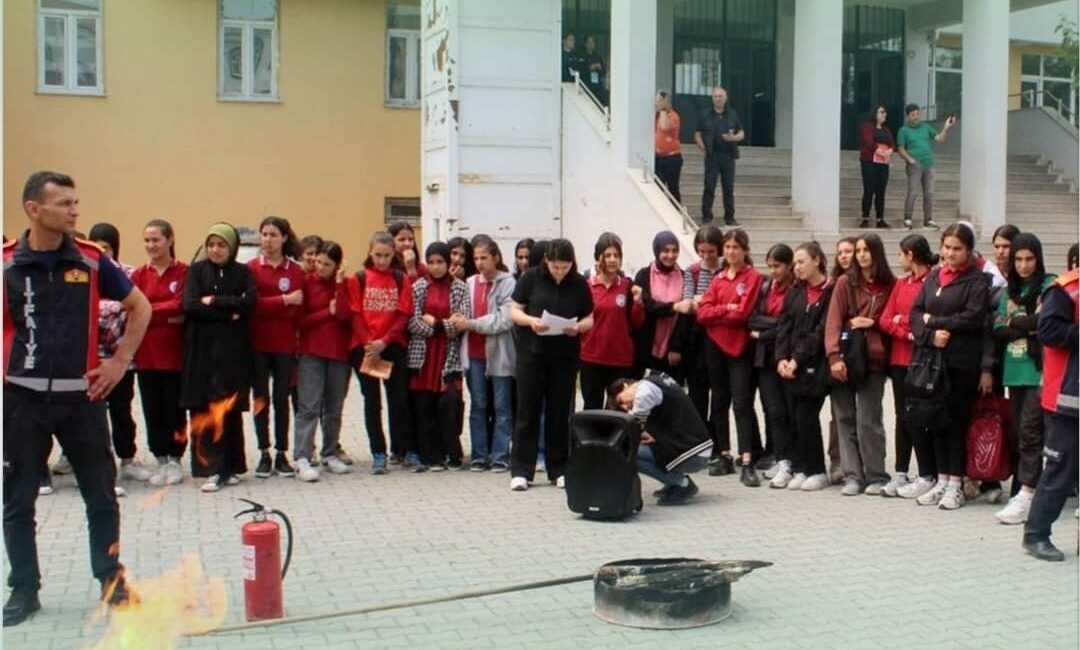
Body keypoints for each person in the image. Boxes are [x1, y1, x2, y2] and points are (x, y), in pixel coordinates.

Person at [3, 171, 150, 625]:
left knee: (101, 497)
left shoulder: (90, 260)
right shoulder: (7, 265)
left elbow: (139, 307)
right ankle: (24, 589)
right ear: (34, 209)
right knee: (18, 501)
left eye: (75, 202)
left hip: (82, 399)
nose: (74, 210)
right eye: (64, 203)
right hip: (22, 400)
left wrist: (119, 362)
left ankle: (111, 580)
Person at [910, 223, 990, 510]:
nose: (951, 253)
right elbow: (916, 313)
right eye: (947, 247)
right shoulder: (933, 277)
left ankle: (956, 483)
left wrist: (936, 321)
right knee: (936, 422)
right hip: (933, 360)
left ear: (968, 251)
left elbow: (971, 318)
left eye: (957, 249)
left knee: (956, 422)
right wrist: (930, 333)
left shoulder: (977, 281)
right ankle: (942, 480)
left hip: (961, 362)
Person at [509, 238, 594, 491]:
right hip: (532, 354)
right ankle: (522, 470)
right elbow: (514, 310)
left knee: (560, 412)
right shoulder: (531, 278)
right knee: (528, 411)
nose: (559, 271)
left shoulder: (578, 283)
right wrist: (531, 321)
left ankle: (559, 468)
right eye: (555, 266)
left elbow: (590, 316)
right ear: (546, 260)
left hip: (564, 355)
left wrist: (578, 327)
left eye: (564, 267)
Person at [182, 223, 257, 493]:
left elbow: (249, 303)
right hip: (202, 351)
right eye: (211, 244)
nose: (215, 250)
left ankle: (231, 467)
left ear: (232, 247)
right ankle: (210, 467)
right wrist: (227, 312)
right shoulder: (196, 271)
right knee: (204, 406)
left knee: (229, 409)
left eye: (221, 245)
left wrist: (212, 301)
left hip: (232, 353)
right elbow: (190, 305)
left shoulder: (243, 272)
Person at [825, 234, 895, 496]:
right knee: (844, 417)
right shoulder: (845, 282)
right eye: (859, 250)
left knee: (869, 419)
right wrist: (834, 357)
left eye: (867, 250)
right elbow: (833, 322)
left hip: (874, 361)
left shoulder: (890, 284)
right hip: (845, 358)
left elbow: (894, 320)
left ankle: (876, 474)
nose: (862, 255)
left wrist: (873, 323)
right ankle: (852, 475)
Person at [993, 234, 1055, 524]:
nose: (1024, 265)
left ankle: (1029, 495)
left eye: (1029, 259)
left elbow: (1042, 324)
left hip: (1038, 371)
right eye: (1018, 259)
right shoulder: (1010, 290)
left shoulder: (1048, 285)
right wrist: (1022, 325)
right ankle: (1029, 488)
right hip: (1013, 371)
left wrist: (1015, 323)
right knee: (1019, 433)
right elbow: (996, 327)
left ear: (1038, 259)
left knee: (1031, 432)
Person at [344, 231, 417, 473]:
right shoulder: (360, 278)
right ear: (369, 252)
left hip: (391, 346)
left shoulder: (400, 278)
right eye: (377, 255)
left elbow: (403, 315)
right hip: (365, 348)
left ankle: (402, 450)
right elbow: (355, 315)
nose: (382, 260)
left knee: (398, 399)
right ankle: (378, 452)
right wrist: (369, 345)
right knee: (372, 401)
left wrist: (384, 342)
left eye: (386, 256)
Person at [698, 229, 764, 487]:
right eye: (727, 247)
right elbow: (702, 313)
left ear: (745, 250)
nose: (731, 252)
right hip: (715, 345)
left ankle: (747, 458)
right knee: (719, 401)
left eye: (736, 247)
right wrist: (726, 308)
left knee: (742, 402)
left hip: (739, 347)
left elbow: (743, 314)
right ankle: (723, 452)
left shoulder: (752, 278)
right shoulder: (718, 279)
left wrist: (719, 313)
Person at [1021, 265, 1078, 561]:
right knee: (1060, 470)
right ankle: (1036, 535)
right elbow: (1048, 330)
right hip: (1067, 399)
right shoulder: (1065, 288)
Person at [87, 222, 151, 484]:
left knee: (122, 411)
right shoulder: (86, 271)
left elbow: (136, 309)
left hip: (120, 357)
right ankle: (100, 466)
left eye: (107, 247)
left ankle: (127, 459)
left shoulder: (127, 274)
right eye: (98, 247)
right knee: (94, 415)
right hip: (91, 359)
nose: (103, 252)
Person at [878, 234, 939, 499]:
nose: (899, 259)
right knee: (902, 417)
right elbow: (885, 319)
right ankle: (901, 471)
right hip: (899, 360)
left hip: (924, 362)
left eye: (901, 254)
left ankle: (928, 473)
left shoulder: (933, 283)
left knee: (922, 418)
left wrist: (908, 324)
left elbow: (927, 321)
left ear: (911, 255)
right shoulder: (901, 284)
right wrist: (908, 330)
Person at [450, 235, 517, 472]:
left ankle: (500, 456)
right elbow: (459, 312)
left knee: (502, 406)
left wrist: (472, 324)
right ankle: (479, 455)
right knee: (478, 405)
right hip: (474, 354)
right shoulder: (469, 283)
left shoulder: (508, 283)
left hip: (499, 354)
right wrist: (459, 320)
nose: (479, 263)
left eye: (484, 258)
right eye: (476, 258)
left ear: (496, 258)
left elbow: (504, 320)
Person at [131, 219, 189, 487]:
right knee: (151, 408)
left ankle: (176, 459)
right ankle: (161, 458)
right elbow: (133, 306)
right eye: (147, 240)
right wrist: (164, 313)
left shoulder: (184, 272)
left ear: (170, 240)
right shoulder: (139, 275)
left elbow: (182, 305)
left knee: (174, 409)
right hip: (145, 353)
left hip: (174, 353)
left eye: (156, 240)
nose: (151, 245)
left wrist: (150, 310)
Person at [774, 241, 835, 492]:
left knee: (807, 417)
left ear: (817, 260)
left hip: (815, 365)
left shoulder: (830, 292)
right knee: (793, 417)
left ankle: (817, 469)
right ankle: (800, 467)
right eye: (795, 263)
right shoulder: (795, 292)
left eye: (801, 262)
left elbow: (820, 333)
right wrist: (782, 359)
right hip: (791, 365)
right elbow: (784, 327)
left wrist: (797, 359)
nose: (796, 267)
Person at [248, 216, 305, 479]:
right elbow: (253, 305)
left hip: (284, 345)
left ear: (284, 237)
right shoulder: (251, 269)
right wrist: (282, 300)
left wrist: (277, 306)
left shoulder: (295, 271)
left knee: (282, 399)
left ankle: (282, 452)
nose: (268, 239)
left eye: (273, 234)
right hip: (258, 344)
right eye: (264, 234)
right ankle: (263, 451)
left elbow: (298, 307)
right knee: (261, 398)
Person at [672, 224, 731, 474]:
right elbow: (687, 304)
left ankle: (720, 446)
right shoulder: (693, 271)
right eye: (702, 251)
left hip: (722, 339)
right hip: (697, 340)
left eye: (711, 251)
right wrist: (711, 304)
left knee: (720, 395)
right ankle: (699, 443)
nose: (706, 256)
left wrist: (704, 303)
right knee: (697, 394)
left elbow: (731, 304)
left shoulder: (728, 270)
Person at [293, 241, 353, 482]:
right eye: (318, 262)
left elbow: (344, 314)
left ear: (337, 266)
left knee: (334, 408)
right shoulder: (306, 283)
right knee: (309, 406)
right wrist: (325, 313)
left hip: (339, 353)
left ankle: (330, 453)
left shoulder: (345, 285)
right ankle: (302, 457)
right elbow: (301, 322)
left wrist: (339, 284)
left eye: (327, 264)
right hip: (311, 353)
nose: (321, 267)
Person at [407, 242, 468, 472]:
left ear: (448, 262)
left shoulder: (460, 288)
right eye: (431, 262)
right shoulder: (419, 287)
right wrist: (437, 329)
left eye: (440, 262)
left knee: (450, 404)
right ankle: (431, 455)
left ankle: (451, 452)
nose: (435, 267)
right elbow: (412, 321)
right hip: (423, 355)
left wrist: (436, 323)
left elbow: (461, 322)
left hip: (449, 355)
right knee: (425, 407)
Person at [608, 373, 713, 505]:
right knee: (639, 447)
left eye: (621, 401)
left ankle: (682, 484)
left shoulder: (643, 393)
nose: (625, 407)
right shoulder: (656, 380)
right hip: (696, 448)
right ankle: (673, 483)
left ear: (625, 386)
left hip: (690, 453)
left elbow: (633, 428)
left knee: (627, 453)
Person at [580, 233, 644, 409]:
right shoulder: (587, 287)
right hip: (591, 358)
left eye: (616, 255)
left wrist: (638, 302)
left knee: (617, 410)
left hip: (619, 359)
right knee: (591, 408)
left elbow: (636, 322)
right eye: (607, 255)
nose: (612, 260)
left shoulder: (627, 286)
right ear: (598, 257)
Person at [748, 244, 795, 484]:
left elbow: (789, 324)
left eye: (778, 266)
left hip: (786, 356)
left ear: (789, 266)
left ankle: (792, 458)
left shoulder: (796, 290)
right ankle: (780, 456)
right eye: (770, 266)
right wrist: (772, 326)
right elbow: (753, 318)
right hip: (765, 358)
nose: (773, 271)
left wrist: (765, 333)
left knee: (789, 410)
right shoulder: (766, 287)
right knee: (773, 410)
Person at [632, 231, 689, 380]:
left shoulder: (684, 276)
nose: (670, 255)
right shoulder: (643, 275)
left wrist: (676, 348)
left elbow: (685, 316)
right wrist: (674, 307)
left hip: (671, 348)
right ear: (657, 250)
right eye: (665, 250)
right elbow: (647, 305)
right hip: (646, 347)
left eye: (675, 251)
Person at [825, 237, 857, 483]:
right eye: (841, 252)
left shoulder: (866, 283)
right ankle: (837, 460)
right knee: (840, 413)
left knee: (865, 413)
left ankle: (859, 461)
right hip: (836, 353)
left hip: (861, 355)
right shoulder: (832, 285)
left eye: (849, 251)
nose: (844, 256)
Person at [897, 104, 956, 230]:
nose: (916, 117)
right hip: (914, 164)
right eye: (913, 115)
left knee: (929, 193)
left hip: (928, 163)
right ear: (908, 116)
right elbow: (900, 148)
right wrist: (910, 160)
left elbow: (939, 139)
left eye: (917, 114)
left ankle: (928, 220)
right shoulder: (903, 130)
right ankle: (908, 219)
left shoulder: (925, 127)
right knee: (913, 192)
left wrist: (946, 128)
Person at [694, 86, 743, 226]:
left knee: (728, 188)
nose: (718, 99)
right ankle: (707, 216)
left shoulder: (733, 114)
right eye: (715, 96)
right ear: (712, 98)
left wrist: (734, 138)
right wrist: (703, 147)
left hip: (728, 156)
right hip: (712, 156)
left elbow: (741, 133)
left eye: (720, 96)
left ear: (725, 98)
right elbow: (697, 134)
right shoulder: (704, 114)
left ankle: (730, 217)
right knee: (709, 186)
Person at [858, 105, 895, 229]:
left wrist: (889, 151)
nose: (884, 114)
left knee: (881, 191)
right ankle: (865, 218)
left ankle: (880, 219)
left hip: (883, 163)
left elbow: (892, 144)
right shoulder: (866, 126)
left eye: (885, 112)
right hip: (869, 162)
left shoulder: (886, 129)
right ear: (875, 114)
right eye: (882, 112)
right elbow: (868, 141)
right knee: (869, 190)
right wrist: (878, 150)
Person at [654, 91, 683, 203]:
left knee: (672, 188)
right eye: (656, 101)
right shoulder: (656, 116)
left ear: (666, 101)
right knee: (657, 187)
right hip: (658, 158)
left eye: (660, 100)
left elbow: (665, 126)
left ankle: (676, 211)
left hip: (672, 158)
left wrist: (662, 110)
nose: (657, 103)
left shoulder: (673, 116)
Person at [582, 35, 607, 105]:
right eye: (588, 42)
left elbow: (603, 72)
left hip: (597, 85)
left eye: (592, 42)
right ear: (585, 43)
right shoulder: (582, 55)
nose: (590, 44)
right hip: (586, 84)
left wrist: (599, 67)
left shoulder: (597, 57)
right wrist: (589, 68)